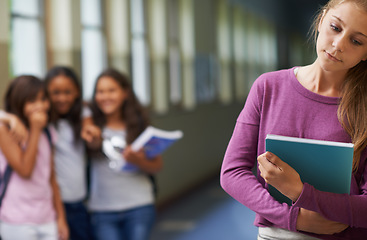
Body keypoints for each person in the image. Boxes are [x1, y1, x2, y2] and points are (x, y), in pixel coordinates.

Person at [220, 0, 367, 239]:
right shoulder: (268, 87)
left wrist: (301, 192)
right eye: (335, 27)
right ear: (321, 21)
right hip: (276, 234)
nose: (338, 44)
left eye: (356, 41)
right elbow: (232, 172)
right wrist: (293, 217)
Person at [82, 68, 163, 240]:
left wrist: (138, 161)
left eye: (112, 90)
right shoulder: (91, 126)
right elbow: (78, 108)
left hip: (139, 206)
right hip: (102, 210)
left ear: (125, 93)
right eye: (100, 91)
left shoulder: (139, 125)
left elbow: (157, 165)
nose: (105, 97)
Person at [0, 75, 69, 240]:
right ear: (18, 101)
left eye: (43, 99)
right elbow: (25, 170)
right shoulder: (6, 131)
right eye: (32, 101)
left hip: (47, 217)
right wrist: (35, 130)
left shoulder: (47, 132)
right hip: (17, 220)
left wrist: (60, 218)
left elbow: (51, 178)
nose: (40, 106)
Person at [45, 66, 93, 240]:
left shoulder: (82, 115)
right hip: (50, 203)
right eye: (55, 92)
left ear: (77, 92)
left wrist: (90, 131)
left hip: (77, 202)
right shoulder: (43, 122)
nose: (62, 98)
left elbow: (89, 125)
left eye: (68, 92)